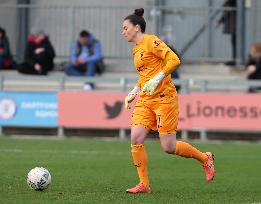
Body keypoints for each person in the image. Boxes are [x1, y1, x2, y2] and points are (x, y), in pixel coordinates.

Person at [122, 8, 215, 194]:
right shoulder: (136, 49)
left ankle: (204, 158)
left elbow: (174, 60)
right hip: (146, 100)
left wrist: (158, 78)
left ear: (137, 27)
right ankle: (144, 184)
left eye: (125, 28)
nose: (123, 31)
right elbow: (144, 75)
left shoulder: (151, 41)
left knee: (169, 147)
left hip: (165, 99)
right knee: (136, 137)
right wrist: (134, 91)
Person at [216, 0, 237, 66]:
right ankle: (234, 59)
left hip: (234, 25)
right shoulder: (230, 3)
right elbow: (225, 13)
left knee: (234, 42)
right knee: (233, 42)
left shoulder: (231, 2)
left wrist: (219, 22)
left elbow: (226, 13)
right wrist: (219, 22)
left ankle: (235, 60)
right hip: (234, 25)